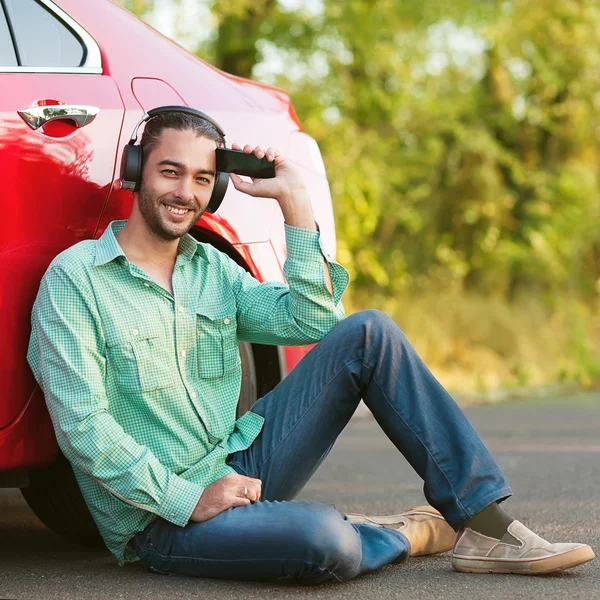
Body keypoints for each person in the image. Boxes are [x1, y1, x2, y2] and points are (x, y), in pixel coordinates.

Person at [28, 108, 594, 584]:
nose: (185, 192)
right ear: (135, 172)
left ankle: (486, 526)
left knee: (369, 332)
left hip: (237, 467)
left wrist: (295, 203)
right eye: (170, 172)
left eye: (202, 179)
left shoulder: (213, 273)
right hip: (160, 519)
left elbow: (315, 320)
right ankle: (393, 532)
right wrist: (188, 499)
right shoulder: (77, 280)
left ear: (217, 187)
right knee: (326, 541)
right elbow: (84, 427)